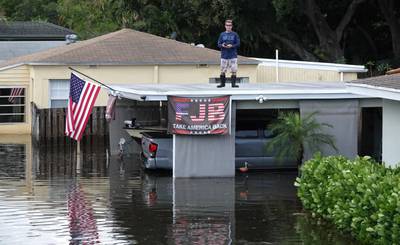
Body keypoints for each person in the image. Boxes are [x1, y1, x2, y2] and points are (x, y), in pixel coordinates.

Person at [217, 19, 240, 88]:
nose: (228, 27)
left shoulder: (235, 34)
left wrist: (232, 46)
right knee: (222, 70)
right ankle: (222, 84)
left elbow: (238, 44)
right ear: (225, 26)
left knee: (234, 70)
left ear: (232, 26)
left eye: (230, 25)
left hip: (233, 55)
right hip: (224, 55)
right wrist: (222, 45)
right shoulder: (222, 34)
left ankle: (233, 84)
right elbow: (218, 44)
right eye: (227, 25)